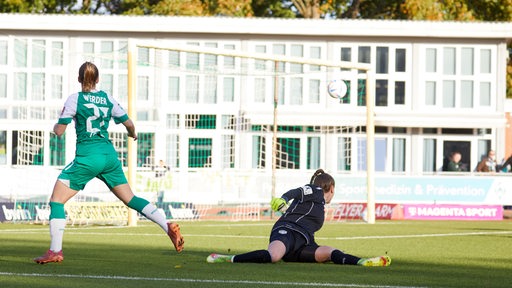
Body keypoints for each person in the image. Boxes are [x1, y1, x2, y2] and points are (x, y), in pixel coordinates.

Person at [33, 62, 184, 264]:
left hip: (88, 158)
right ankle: (167, 225)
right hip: (109, 157)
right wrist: (133, 134)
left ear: (79, 79)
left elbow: (59, 131)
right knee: (131, 199)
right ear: (97, 80)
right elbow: (129, 124)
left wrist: (55, 126)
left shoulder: (74, 99)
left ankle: (55, 251)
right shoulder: (107, 98)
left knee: (57, 201)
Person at [206, 169, 391, 267]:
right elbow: (297, 191)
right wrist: (283, 199)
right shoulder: (316, 190)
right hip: (288, 229)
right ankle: (228, 258)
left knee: (329, 252)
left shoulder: (319, 205)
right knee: (273, 256)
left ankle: (361, 262)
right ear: (332, 188)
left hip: (304, 241)